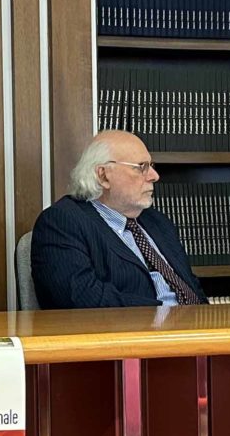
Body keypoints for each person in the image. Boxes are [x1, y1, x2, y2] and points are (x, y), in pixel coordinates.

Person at [31, 131, 206, 310]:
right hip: (137, 326)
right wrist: (167, 314)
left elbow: (191, 287)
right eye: (141, 167)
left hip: (196, 325)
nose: (154, 176)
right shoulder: (62, 223)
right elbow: (80, 298)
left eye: (151, 166)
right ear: (103, 176)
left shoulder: (157, 222)